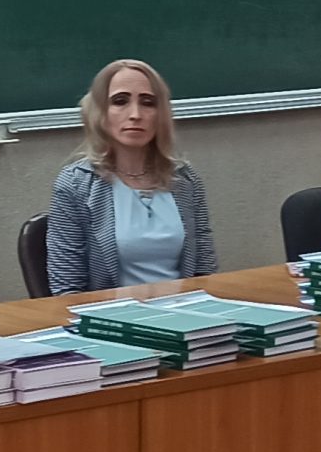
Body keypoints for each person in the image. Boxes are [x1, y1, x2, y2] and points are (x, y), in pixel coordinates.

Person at [46, 58, 217, 293]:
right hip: (112, 313)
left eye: (148, 103)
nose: (136, 114)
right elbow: (67, 290)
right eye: (120, 101)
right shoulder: (76, 184)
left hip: (183, 310)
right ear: (100, 111)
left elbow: (204, 273)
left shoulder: (185, 180)